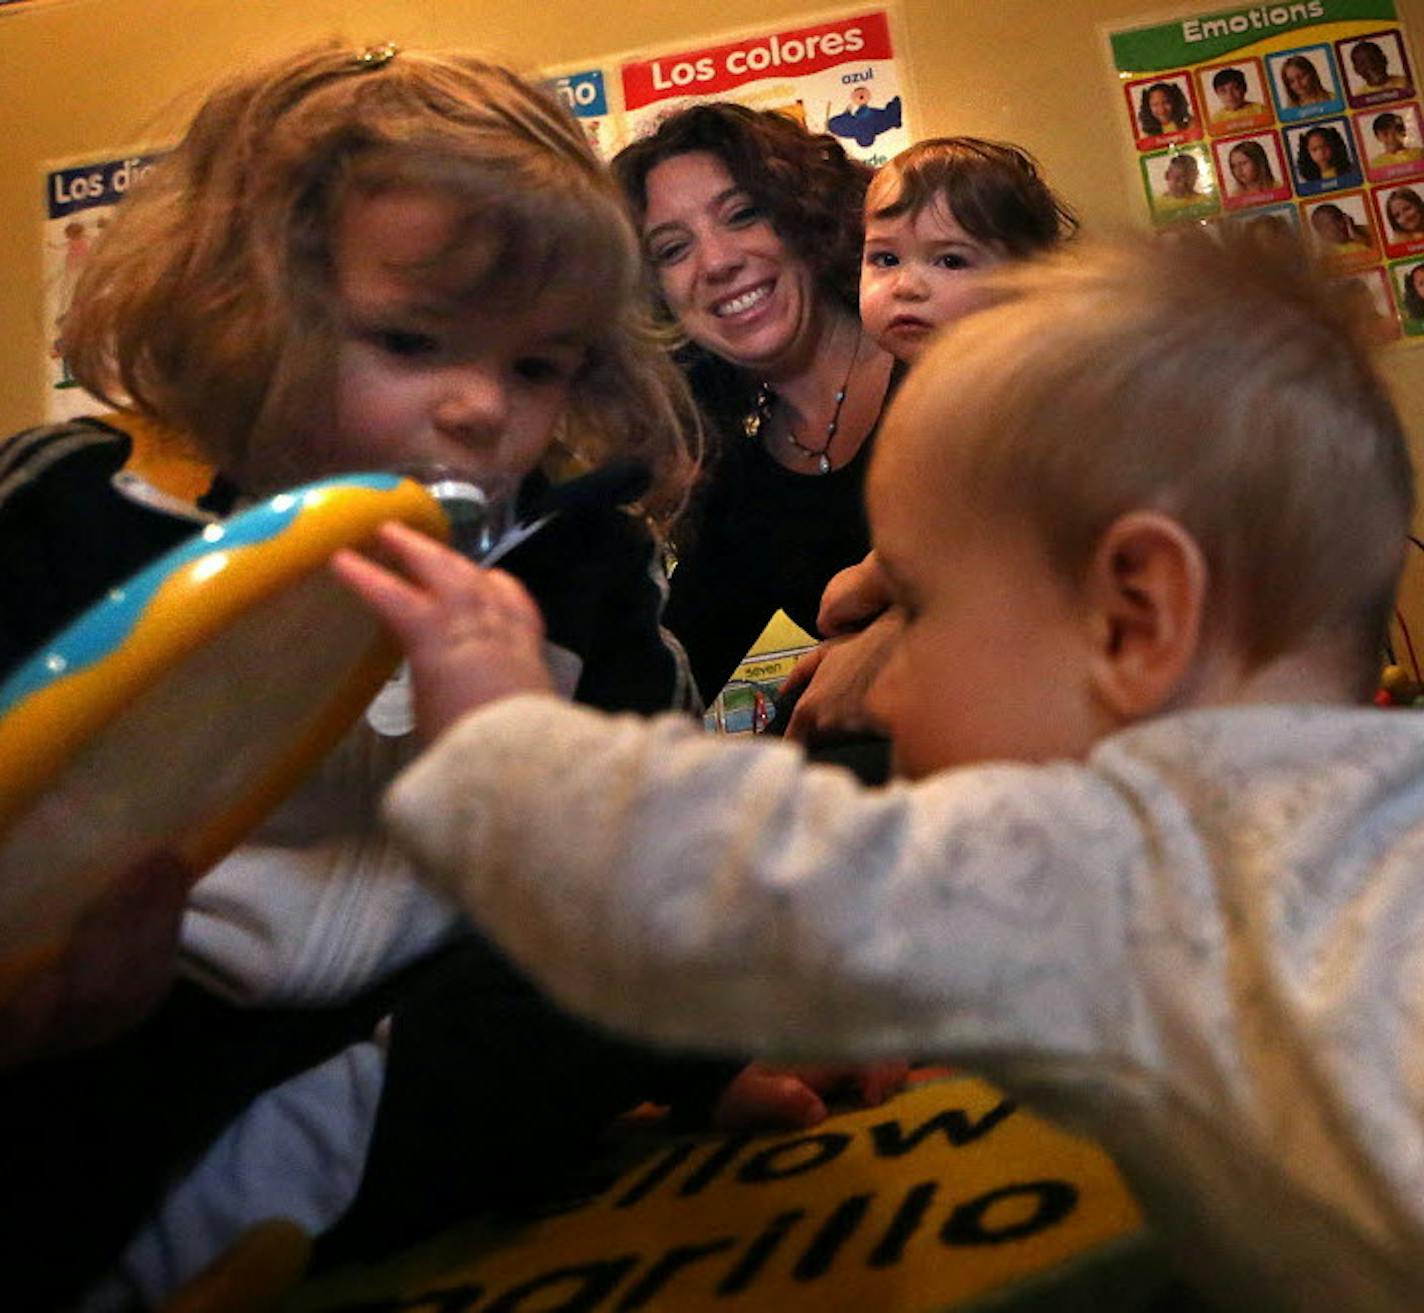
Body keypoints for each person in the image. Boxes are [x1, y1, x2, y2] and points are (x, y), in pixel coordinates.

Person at [336, 230, 1424, 1312]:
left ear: (1135, 615)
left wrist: (502, 741)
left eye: (915, 607)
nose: (883, 686)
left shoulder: (1125, 853)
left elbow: (734, 882)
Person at [0, 44, 895, 1309]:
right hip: (128, 1042)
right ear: (244, 306)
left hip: (427, 1039)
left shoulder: (575, 551)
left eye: (536, 364)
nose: (481, 407)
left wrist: (704, 1052)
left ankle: (258, 1210)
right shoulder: (72, 515)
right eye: (412, 340)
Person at [784, 136, 1077, 745]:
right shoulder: (924, 392)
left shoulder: (1016, 386)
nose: (907, 286)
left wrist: (871, 580)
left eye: (950, 261)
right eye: (885, 259)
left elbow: (1000, 519)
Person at [610, 104, 898, 707]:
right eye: (671, 250)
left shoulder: (952, 354)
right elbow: (659, 690)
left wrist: (897, 645)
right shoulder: (740, 481)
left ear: (806, 218)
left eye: (743, 215)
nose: (717, 262)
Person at [1309, 201, 1375, 254]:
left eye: (1336, 220)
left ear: (1346, 219)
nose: (1333, 228)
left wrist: (1356, 236)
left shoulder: (1368, 230)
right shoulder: (1326, 253)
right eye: (1324, 227)